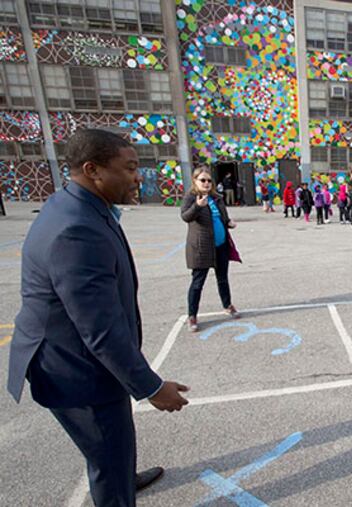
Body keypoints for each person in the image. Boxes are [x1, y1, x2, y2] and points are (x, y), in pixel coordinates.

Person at [7, 129, 189, 506]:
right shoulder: (76, 229)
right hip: (76, 371)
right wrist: (152, 388)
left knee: (113, 449)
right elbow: (100, 329)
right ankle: (116, 485)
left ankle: (121, 471)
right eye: (130, 168)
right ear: (93, 170)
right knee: (108, 458)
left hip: (79, 361)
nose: (138, 177)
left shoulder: (78, 206)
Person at [182, 167, 241, 332]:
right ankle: (192, 315)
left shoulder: (217, 198)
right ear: (195, 181)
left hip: (221, 246)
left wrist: (228, 222)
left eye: (209, 180)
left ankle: (227, 305)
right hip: (201, 248)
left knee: (222, 278)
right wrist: (197, 206)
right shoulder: (191, 197)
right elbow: (185, 216)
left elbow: (223, 216)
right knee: (197, 283)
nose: (206, 183)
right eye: (203, 180)